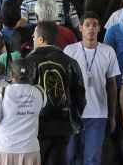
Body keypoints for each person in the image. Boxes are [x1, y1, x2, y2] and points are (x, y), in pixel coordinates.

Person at [27, 21, 87, 165]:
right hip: (63, 126)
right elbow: (80, 96)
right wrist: (73, 118)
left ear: (41, 39)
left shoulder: (27, 62)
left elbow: (21, 96)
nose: (32, 37)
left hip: (35, 127)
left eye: (34, 35)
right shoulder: (71, 62)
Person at [64, 12, 120, 165]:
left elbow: (112, 85)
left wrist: (112, 114)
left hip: (98, 113)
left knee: (92, 159)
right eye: (87, 25)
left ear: (99, 28)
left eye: (95, 25)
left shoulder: (108, 51)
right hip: (73, 113)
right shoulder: (69, 51)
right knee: (68, 157)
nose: (91, 28)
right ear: (80, 28)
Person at [0, 58, 46, 165]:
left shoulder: (3, 92)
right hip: (30, 150)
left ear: (11, 74)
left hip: (4, 149)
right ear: (32, 74)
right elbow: (40, 109)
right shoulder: (40, 92)